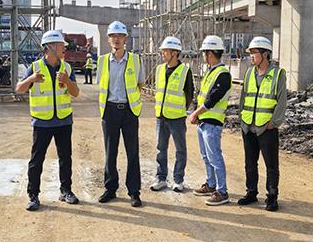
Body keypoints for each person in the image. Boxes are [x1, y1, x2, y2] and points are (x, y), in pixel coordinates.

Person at [15, 30, 80, 211]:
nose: (64, 49)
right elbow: (19, 89)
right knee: (37, 159)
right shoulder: (35, 67)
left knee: (65, 158)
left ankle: (66, 191)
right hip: (42, 122)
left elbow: (75, 93)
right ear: (50, 47)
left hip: (64, 121)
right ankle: (33, 195)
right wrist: (31, 79)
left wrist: (68, 81)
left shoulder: (67, 68)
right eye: (61, 46)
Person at [96, 21, 144, 207]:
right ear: (109, 39)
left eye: (120, 36)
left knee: (132, 153)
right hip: (109, 111)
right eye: (113, 36)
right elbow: (101, 85)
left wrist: (130, 101)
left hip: (129, 111)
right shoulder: (102, 61)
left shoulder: (135, 60)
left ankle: (134, 191)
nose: (116, 39)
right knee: (110, 152)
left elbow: (140, 83)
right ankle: (110, 188)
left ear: (126, 39)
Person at [237, 37, 287, 211]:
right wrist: (242, 118)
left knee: (271, 165)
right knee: (250, 163)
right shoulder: (249, 73)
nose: (251, 56)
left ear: (265, 54)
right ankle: (251, 193)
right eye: (250, 53)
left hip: (267, 127)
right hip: (248, 125)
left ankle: (272, 197)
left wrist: (274, 123)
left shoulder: (278, 74)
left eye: (254, 53)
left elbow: (281, 100)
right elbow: (243, 98)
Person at [188, 35, 232, 206]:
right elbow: (202, 96)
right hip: (204, 121)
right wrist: (198, 115)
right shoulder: (210, 72)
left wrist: (195, 113)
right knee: (206, 156)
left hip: (213, 122)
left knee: (215, 158)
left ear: (210, 53)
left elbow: (212, 99)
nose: (203, 56)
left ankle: (222, 192)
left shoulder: (223, 74)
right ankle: (211, 184)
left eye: (204, 53)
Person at [150, 36, 194, 193]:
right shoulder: (159, 69)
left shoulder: (185, 71)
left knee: (180, 150)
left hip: (177, 118)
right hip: (160, 117)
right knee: (160, 149)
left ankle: (178, 180)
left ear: (174, 53)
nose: (163, 53)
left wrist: (180, 109)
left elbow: (189, 95)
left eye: (165, 51)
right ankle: (161, 179)